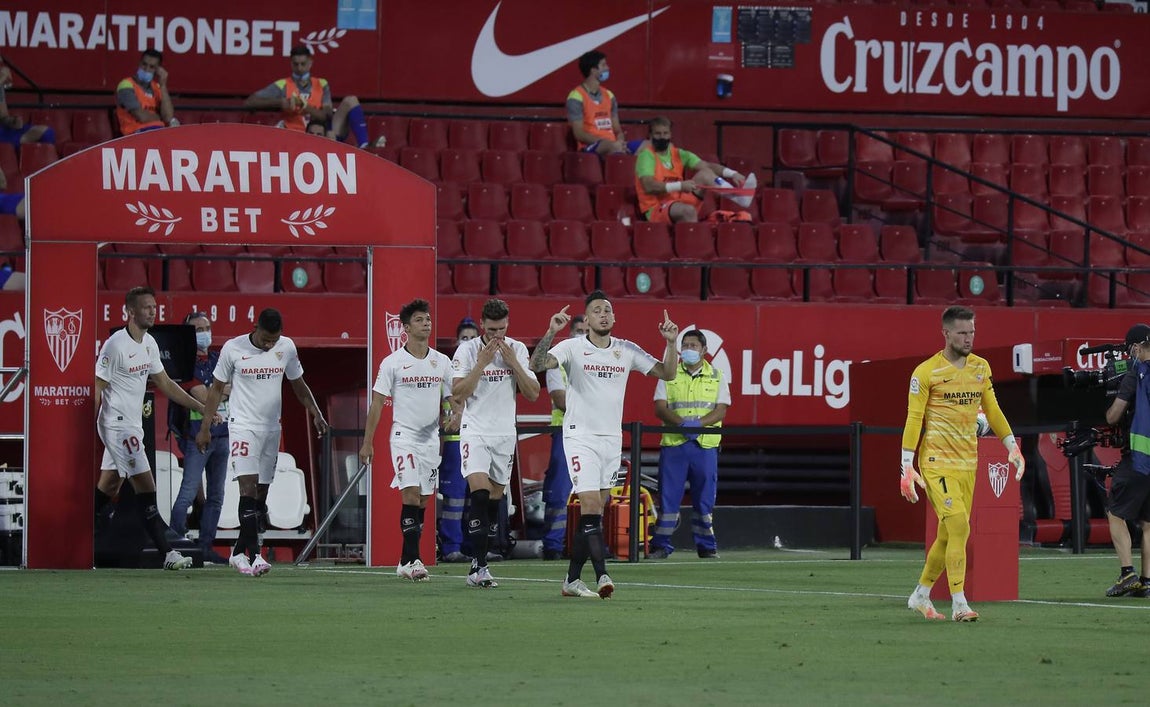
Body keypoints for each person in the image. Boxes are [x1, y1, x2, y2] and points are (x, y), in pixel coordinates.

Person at [530, 291, 680, 599]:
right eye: (597, 311)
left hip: (611, 440)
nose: (603, 314)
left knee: (595, 513)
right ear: (587, 321)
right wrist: (551, 332)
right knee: (591, 506)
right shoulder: (572, 346)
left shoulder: (626, 350)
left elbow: (668, 373)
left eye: (607, 310)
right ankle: (602, 576)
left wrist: (670, 342)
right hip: (580, 436)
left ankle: (571, 580)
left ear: (613, 318)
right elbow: (537, 363)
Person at [900, 305, 1025, 622]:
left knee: (948, 535)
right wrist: (906, 467)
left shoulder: (981, 368)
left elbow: (993, 411)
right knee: (959, 525)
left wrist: (1012, 446)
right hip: (936, 462)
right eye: (962, 332)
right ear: (946, 333)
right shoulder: (926, 372)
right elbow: (914, 420)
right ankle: (960, 604)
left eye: (972, 332)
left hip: (968, 463)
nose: (968, 338)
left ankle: (920, 594)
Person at [196, 308, 329, 577]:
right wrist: (206, 426)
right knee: (247, 487)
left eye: (274, 339)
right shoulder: (233, 348)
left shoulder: (286, 348)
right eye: (266, 339)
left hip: (271, 429)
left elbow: (299, 385)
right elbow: (216, 389)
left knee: (260, 496)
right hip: (243, 427)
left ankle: (236, 553)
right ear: (255, 327)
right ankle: (255, 555)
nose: (270, 344)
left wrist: (316, 412)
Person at [93, 286, 206, 571]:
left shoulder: (150, 344)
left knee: (110, 484)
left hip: (132, 425)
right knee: (146, 484)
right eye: (146, 307)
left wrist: (202, 407)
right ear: (130, 312)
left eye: (154, 307)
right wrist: (89, 428)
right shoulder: (115, 345)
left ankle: (77, 533)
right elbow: (98, 385)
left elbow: (166, 384)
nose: (153, 311)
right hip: (117, 426)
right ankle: (168, 553)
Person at [359, 299, 453, 582]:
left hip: (430, 441)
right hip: (403, 438)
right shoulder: (392, 363)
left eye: (428, 319)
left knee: (423, 500)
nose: (426, 323)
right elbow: (377, 404)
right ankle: (414, 561)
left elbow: (450, 398)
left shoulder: (441, 361)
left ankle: (403, 560)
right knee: (410, 494)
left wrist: (453, 415)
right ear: (406, 328)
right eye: (420, 320)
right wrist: (368, 442)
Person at [452, 300, 540, 588]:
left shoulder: (518, 349)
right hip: (475, 431)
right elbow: (458, 393)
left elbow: (532, 393)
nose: (496, 336)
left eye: (501, 329)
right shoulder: (467, 351)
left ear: (508, 324)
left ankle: (482, 562)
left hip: (504, 435)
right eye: (491, 330)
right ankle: (478, 567)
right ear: (482, 325)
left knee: (493, 502)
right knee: (479, 494)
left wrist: (513, 362)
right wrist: (481, 363)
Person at [649, 329, 731, 559]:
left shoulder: (717, 375)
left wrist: (697, 425)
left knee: (704, 501)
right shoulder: (669, 374)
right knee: (668, 499)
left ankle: (706, 546)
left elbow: (721, 409)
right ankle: (660, 545)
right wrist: (682, 424)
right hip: (675, 445)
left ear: (704, 350)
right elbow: (660, 407)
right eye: (684, 346)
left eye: (693, 346)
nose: (688, 350)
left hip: (704, 447)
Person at [168, 312, 229, 565]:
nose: (204, 332)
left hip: (223, 435)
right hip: (196, 437)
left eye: (207, 327)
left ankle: (205, 548)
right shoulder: (183, 364)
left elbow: (231, 387)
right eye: (198, 329)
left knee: (216, 496)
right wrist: (218, 391)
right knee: (188, 492)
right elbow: (203, 396)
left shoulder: (218, 359)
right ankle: (175, 546)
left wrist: (215, 391)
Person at [1098, 324, 1150, 597]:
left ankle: (1127, 573)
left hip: (1140, 457)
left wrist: (1108, 408)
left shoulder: (1135, 374)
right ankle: (1147, 581)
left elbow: (1113, 416)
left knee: (1116, 512)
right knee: (1148, 522)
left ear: (1136, 348)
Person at [635, 116, 748, 225]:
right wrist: (679, 186)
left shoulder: (678, 153)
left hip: (677, 201)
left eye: (665, 133)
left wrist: (733, 173)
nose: (662, 137)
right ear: (650, 135)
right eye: (658, 134)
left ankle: (735, 195)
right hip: (657, 207)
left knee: (705, 173)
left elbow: (707, 165)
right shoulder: (646, 156)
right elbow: (648, 186)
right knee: (688, 211)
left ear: (670, 134)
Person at [541, 314, 589, 560]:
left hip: (592, 433)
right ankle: (552, 545)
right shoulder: (558, 360)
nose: (581, 334)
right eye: (577, 330)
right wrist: (592, 409)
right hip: (565, 432)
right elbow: (559, 399)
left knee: (594, 490)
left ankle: (592, 542)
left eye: (585, 330)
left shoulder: (597, 363)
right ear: (570, 333)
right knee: (560, 492)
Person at [438, 317, 479, 563]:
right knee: (454, 497)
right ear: (457, 341)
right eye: (464, 337)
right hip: (455, 440)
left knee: (478, 495)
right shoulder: (448, 368)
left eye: (473, 337)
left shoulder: (488, 367)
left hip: (479, 438)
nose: (469, 342)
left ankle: (475, 545)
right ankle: (451, 546)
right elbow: (450, 399)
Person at [566, 50, 642, 156]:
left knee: (648, 147)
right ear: (593, 70)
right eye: (603, 65)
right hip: (590, 147)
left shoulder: (609, 95)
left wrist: (620, 141)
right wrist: (608, 143)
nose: (608, 68)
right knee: (614, 149)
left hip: (614, 144)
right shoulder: (576, 97)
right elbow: (579, 134)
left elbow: (617, 130)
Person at [244, 45, 334, 134]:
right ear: (291, 63)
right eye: (296, 64)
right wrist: (280, 102)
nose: (299, 68)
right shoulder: (282, 84)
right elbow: (249, 102)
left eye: (303, 64)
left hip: (315, 135)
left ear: (310, 62)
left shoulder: (322, 84)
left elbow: (326, 115)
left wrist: (304, 105)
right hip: (290, 133)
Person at [114, 49, 177, 136]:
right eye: (144, 64)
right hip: (133, 135)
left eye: (151, 67)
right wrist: (160, 118)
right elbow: (141, 116)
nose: (146, 69)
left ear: (157, 70)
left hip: (156, 132)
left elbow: (168, 117)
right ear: (139, 63)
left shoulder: (157, 87)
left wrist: (163, 85)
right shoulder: (126, 85)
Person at [0, 61, 55, 148]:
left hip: (3, 131)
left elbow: (3, 117)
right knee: (12, 143)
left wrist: (11, 121)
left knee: (46, 133)